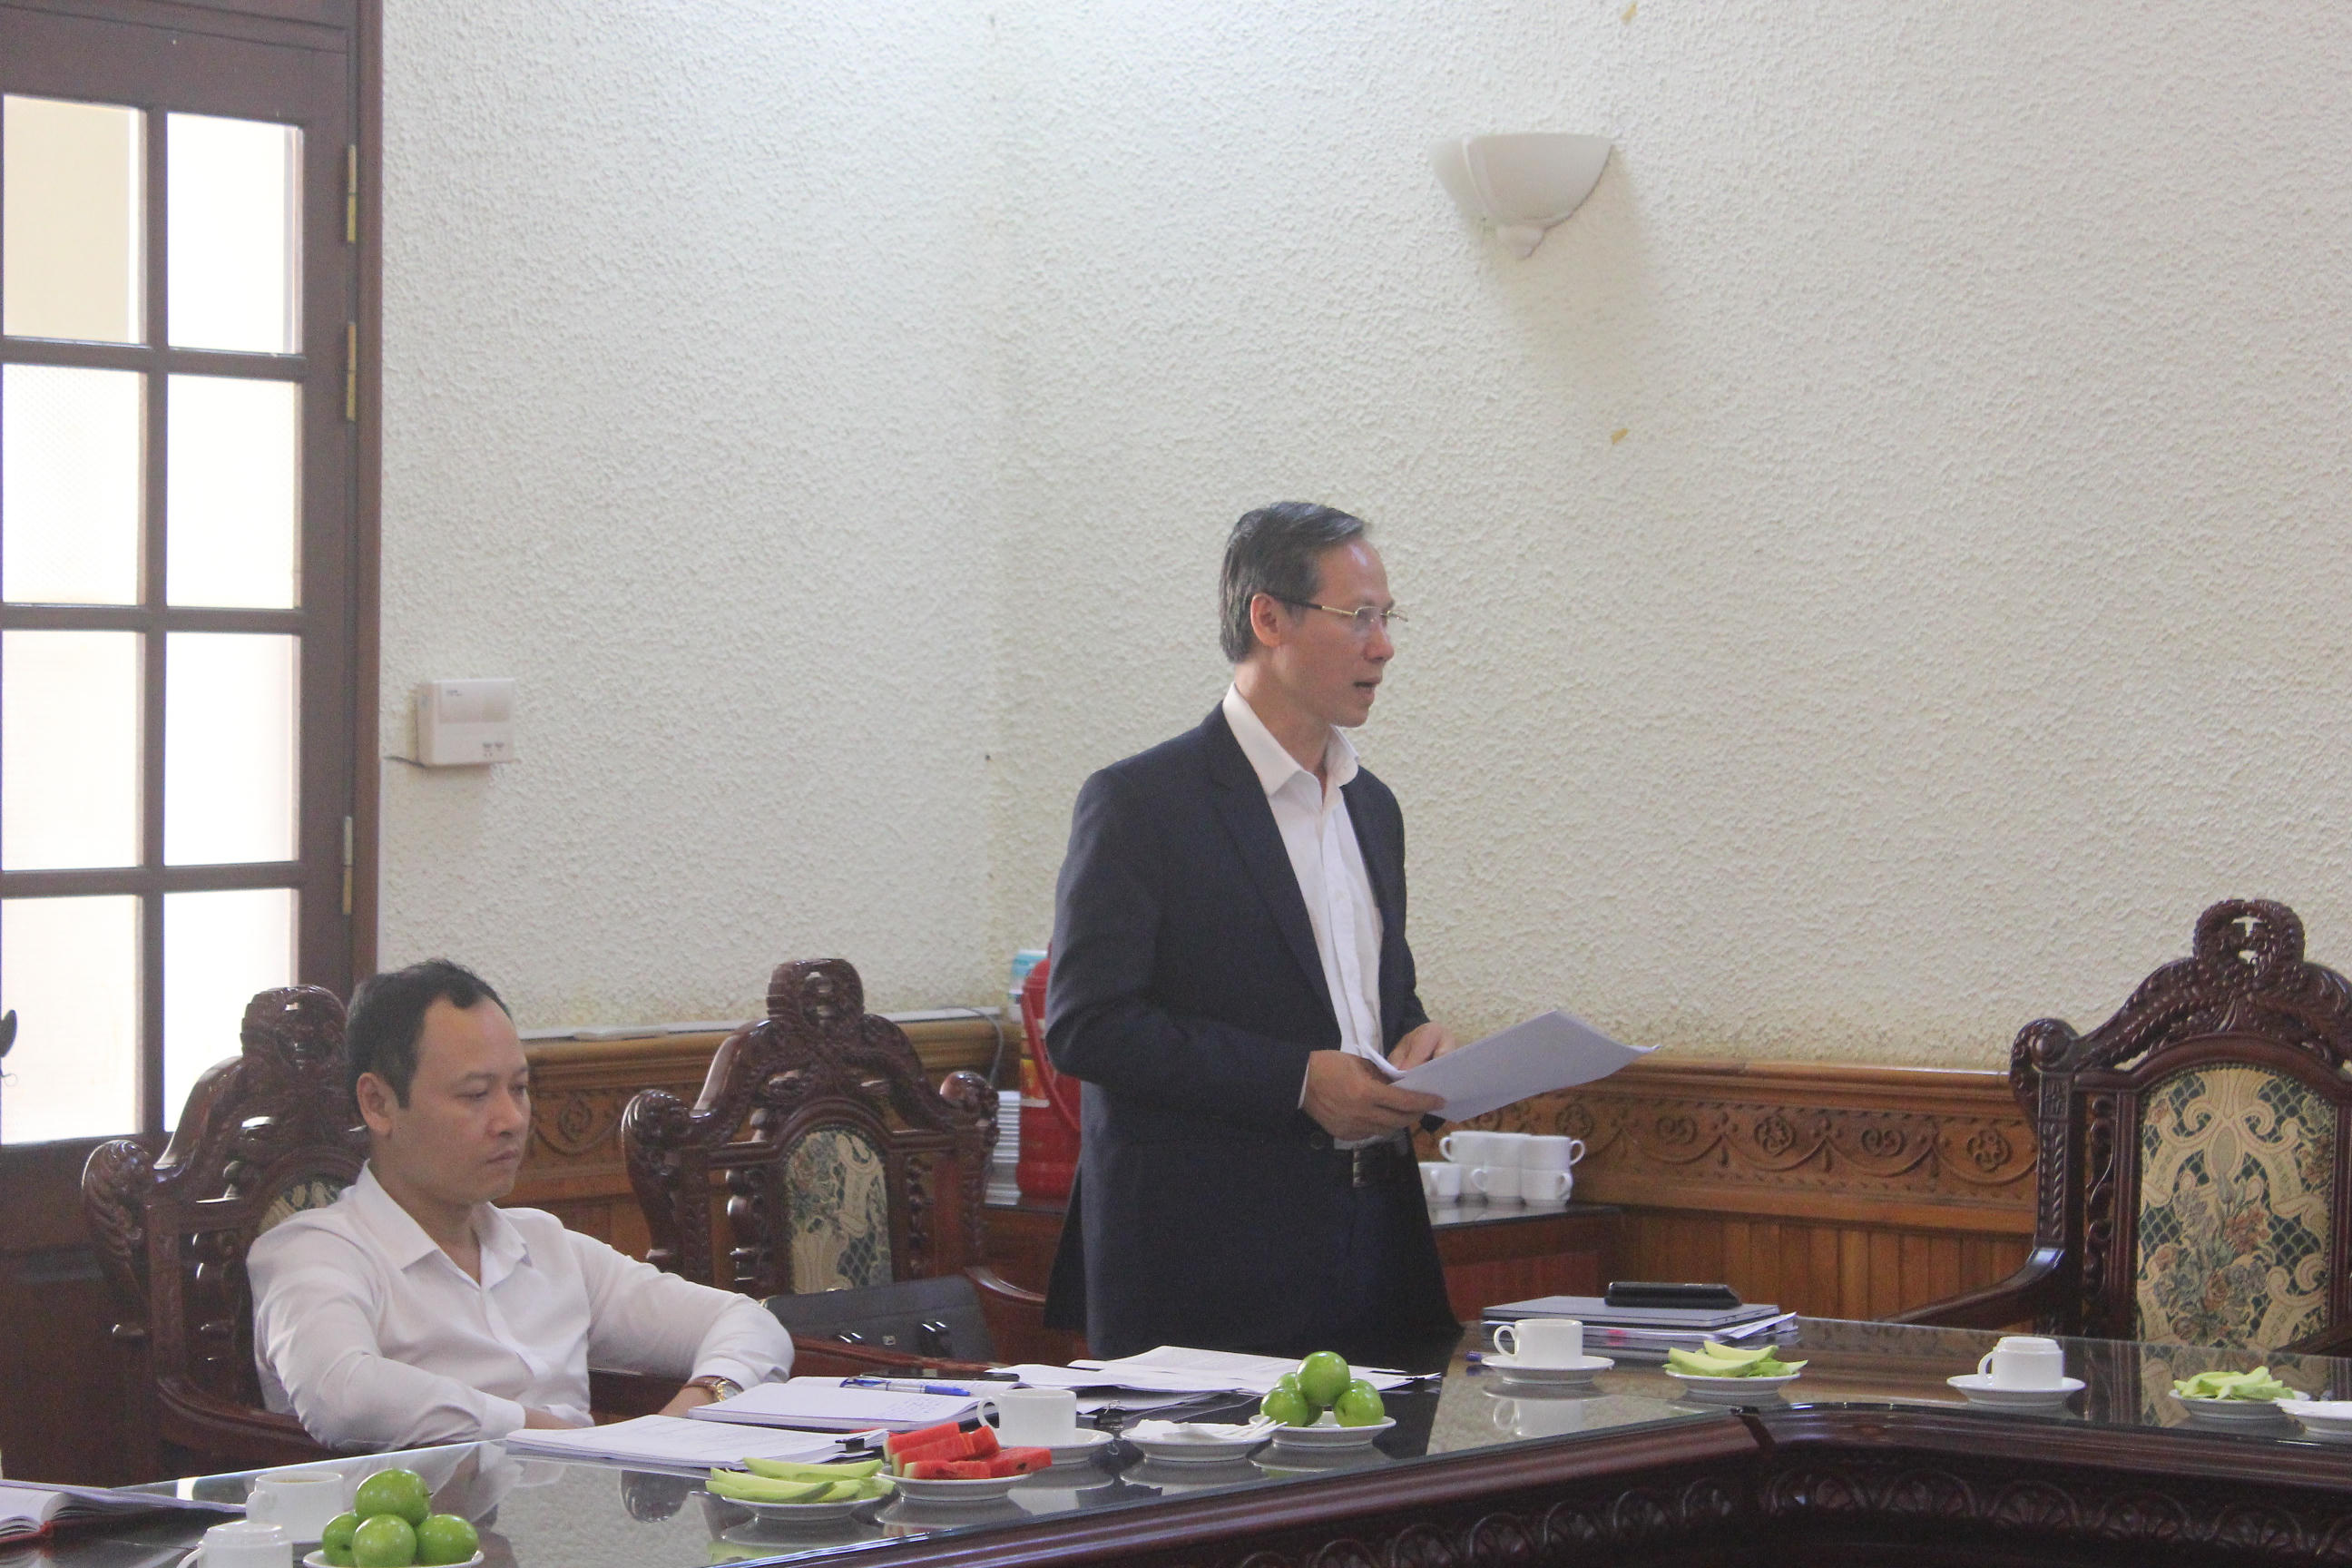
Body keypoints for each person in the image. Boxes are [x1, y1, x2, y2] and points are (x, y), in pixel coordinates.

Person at [1041, 501, 1465, 1362]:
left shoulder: (1372, 808)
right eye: (1360, 617)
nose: (1384, 646)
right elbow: (1088, 1025)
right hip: (1208, 1269)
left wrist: (1417, 1042)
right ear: (1268, 618)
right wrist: (1296, 1081)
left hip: (1377, 1248)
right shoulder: (1142, 803)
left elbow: (1373, 1001)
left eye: (1389, 618)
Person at [248, 959, 793, 1450]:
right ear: (379, 1104)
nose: (511, 1120)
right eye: (475, 1094)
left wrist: (693, 1412)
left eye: (520, 1088)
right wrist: (545, 1435)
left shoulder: (547, 1247)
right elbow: (341, 1395)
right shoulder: (314, 1252)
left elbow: (749, 1323)